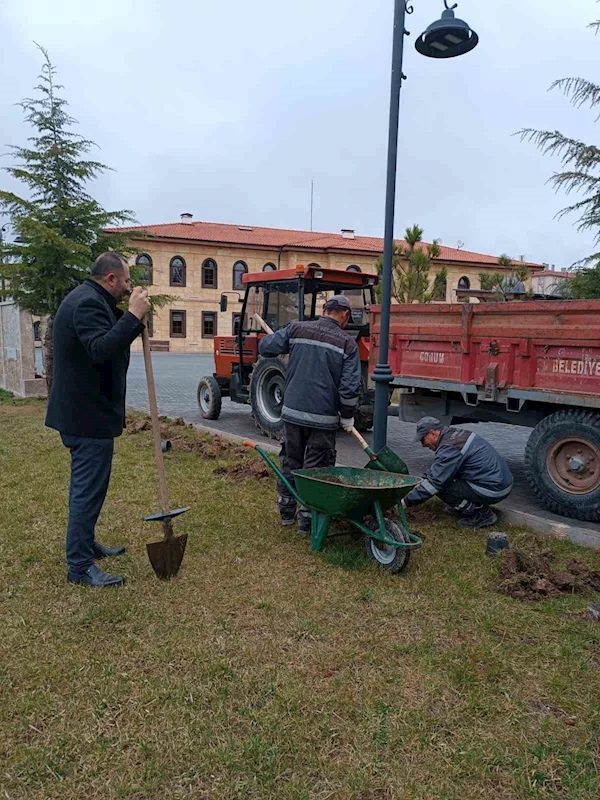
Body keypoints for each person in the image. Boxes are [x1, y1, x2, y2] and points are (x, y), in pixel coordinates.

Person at [45, 252, 150, 587]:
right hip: (85, 417)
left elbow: (106, 335)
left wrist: (132, 319)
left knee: (91, 488)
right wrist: (133, 316)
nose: (126, 287)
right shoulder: (88, 304)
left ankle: (86, 544)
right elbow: (101, 348)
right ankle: (79, 566)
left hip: (85, 413)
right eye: (125, 282)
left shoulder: (88, 299)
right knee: (86, 490)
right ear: (110, 279)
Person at [258, 295, 361, 534]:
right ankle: (307, 522)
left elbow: (265, 347)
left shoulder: (297, 328)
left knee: (291, 461)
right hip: (323, 421)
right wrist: (347, 415)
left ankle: (286, 513)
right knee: (316, 470)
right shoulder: (347, 344)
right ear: (345, 315)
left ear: (324, 310)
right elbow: (349, 387)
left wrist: (285, 342)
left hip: (292, 414)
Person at [404, 416, 513, 528]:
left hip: (493, 489)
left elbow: (435, 482)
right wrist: (416, 484)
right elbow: (437, 470)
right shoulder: (455, 435)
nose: (422, 445)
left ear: (432, 433)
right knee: (443, 478)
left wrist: (406, 502)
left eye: (422, 439)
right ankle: (465, 505)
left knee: (441, 486)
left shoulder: (449, 447)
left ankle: (481, 514)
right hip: (500, 483)